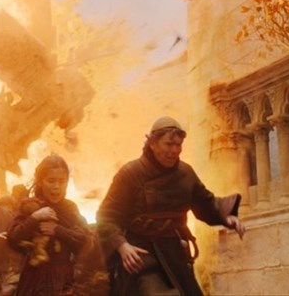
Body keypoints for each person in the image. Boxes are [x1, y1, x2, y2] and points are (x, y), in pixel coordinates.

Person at [96, 116, 245, 296]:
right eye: (168, 144)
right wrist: (122, 246)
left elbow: (205, 204)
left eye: (178, 145)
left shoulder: (185, 173)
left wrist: (225, 216)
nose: (174, 151)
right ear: (152, 143)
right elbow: (107, 215)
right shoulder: (130, 173)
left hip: (176, 253)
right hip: (141, 255)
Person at [7, 154, 90, 295]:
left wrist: (58, 230)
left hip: (63, 283)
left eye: (61, 181)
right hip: (34, 281)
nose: (56, 187)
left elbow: (84, 241)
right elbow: (13, 238)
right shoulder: (30, 206)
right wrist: (33, 219)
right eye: (51, 181)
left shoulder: (70, 209)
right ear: (40, 182)